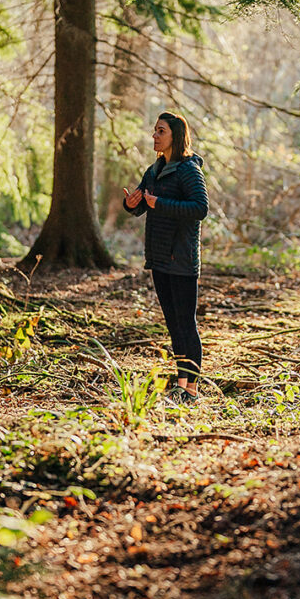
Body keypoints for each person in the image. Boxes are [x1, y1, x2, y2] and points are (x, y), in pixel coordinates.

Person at [124, 111, 208, 400]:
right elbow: (141, 205)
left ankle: (193, 390)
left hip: (182, 258)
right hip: (159, 258)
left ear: (175, 136)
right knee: (173, 323)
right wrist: (130, 203)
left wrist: (161, 202)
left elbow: (200, 208)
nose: (155, 136)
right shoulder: (154, 170)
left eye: (161, 131)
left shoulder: (189, 170)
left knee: (186, 322)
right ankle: (180, 382)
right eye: (155, 130)